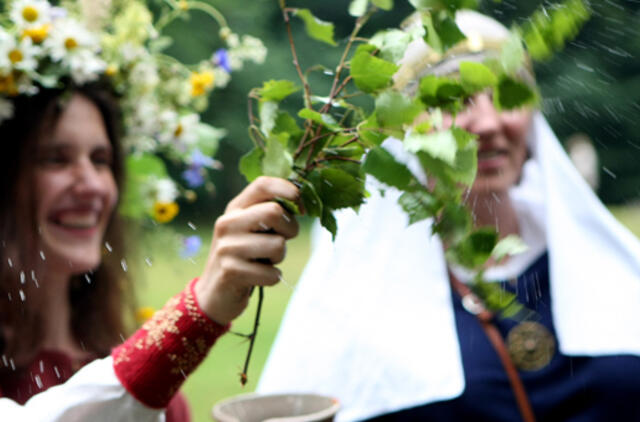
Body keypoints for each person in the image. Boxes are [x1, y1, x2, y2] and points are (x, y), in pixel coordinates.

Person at [258, 10, 640, 422]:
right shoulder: (364, 291)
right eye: (454, 101)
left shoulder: (602, 263)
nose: (490, 123)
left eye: (508, 95)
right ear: (404, 130)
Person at [0, 2, 299, 420]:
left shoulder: (157, 393)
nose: (90, 184)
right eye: (55, 158)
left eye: (101, 159)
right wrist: (198, 311)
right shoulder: (144, 380)